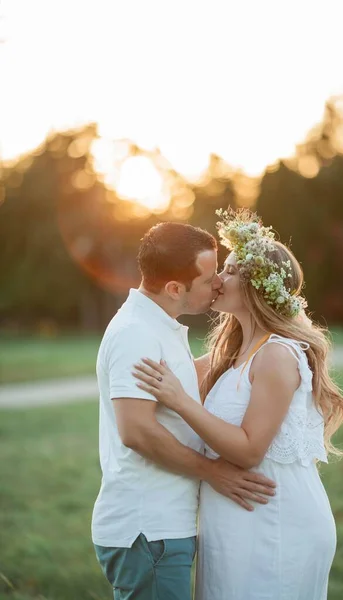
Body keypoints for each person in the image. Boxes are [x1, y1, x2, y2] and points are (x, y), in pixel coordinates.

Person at [133, 208, 343, 600]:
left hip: (276, 520)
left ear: (258, 287)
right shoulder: (232, 353)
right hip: (234, 523)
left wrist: (182, 402)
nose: (218, 280)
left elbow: (250, 450)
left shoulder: (277, 355)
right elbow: (164, 365)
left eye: (231, 271)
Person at [91, 221, 276, 600]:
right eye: (209, 279)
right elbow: (136, 431)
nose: (218, 285)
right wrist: (213, 472)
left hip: (161, 528)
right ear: (175, 288)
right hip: (148, 530)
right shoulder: (136, 333)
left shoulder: (159, 326)